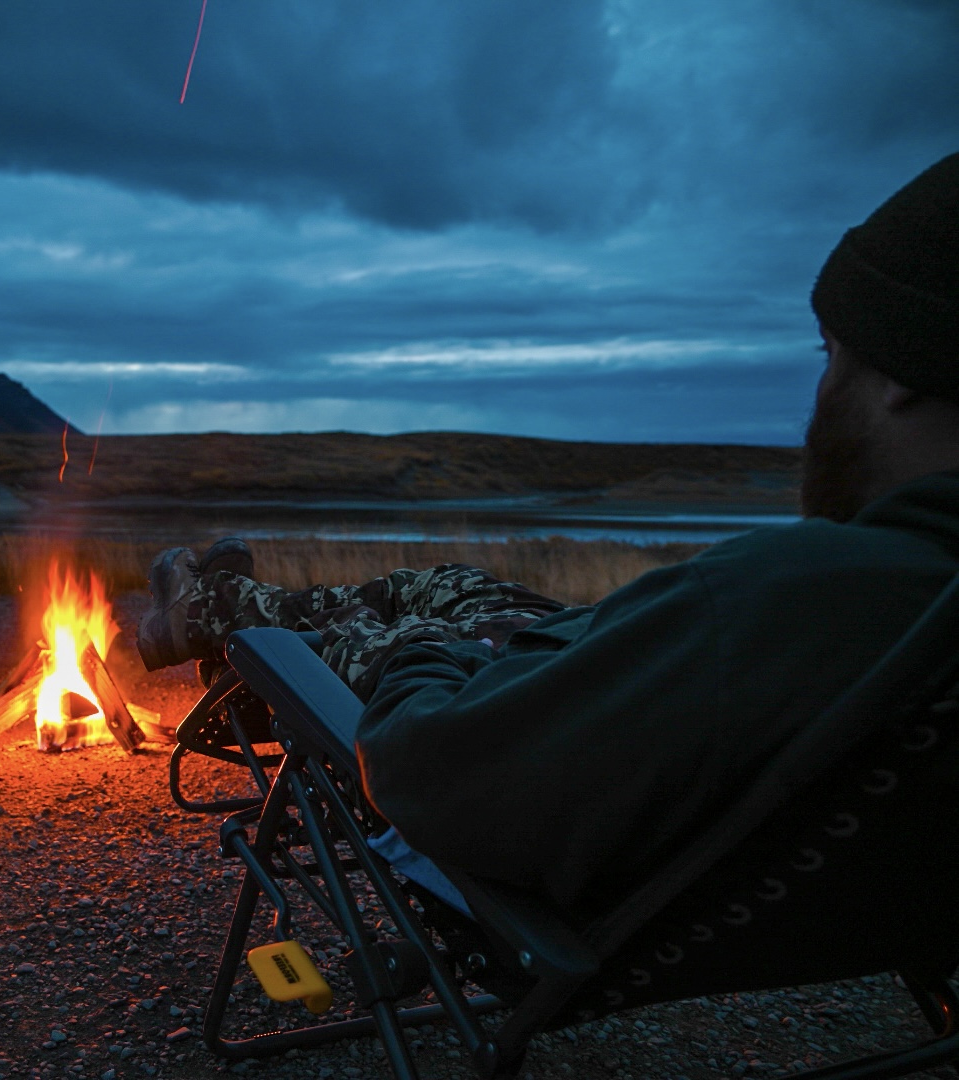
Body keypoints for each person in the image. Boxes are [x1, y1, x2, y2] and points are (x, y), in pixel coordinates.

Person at [137, 152, 959, 920]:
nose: (819, 391)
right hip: (587, 712)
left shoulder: (798, 597)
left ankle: (228, 614)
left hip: (504, 774)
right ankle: (222, 602)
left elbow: (425, 768)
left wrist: (430, 650)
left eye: (832, 355)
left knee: (400, 621)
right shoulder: (910, 605)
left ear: (896, 374)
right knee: (444, 582)